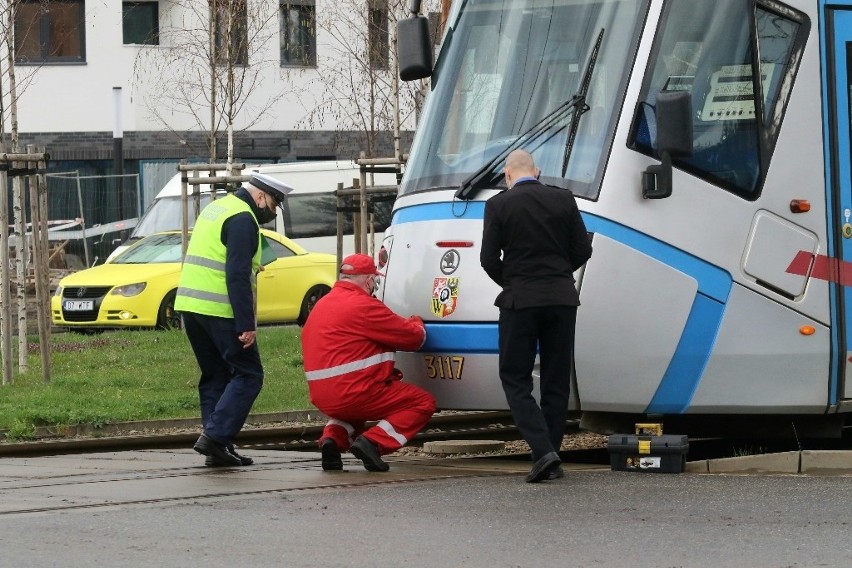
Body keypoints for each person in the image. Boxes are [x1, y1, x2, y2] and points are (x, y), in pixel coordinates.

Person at [480, 149, 592, 483]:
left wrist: (515, 283)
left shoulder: (498, 205)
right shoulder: (564, 199)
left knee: (515, 377)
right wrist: (557, 277)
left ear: (507, 174)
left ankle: (543, 452)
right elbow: (583, 250)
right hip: (561, 299)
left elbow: (488, 258)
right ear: (537, 171)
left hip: (520, 302)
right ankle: (550, 455)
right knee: (556, 380)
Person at [175, 172, 293, 467]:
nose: (274, 211)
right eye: (275, 203)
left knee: (216, 375)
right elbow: (237, 274)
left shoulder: (217, 208)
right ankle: (215, 437)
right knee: (249, 375)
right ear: (261, 197)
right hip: (220, 310)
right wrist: (246, 324)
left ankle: (218, 446)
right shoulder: (243, 219)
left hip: (191, 305)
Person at [301, 253, 436, 472]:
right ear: (368, 280)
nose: (375, 284)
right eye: (375, 279)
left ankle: (332, 442)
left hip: (323, 395)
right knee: (422, 402)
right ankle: (373, 442)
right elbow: (413, 338)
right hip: (354, 393)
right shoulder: (364, 306)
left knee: (351, 409)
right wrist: (416, 321)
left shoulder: (322, 304)